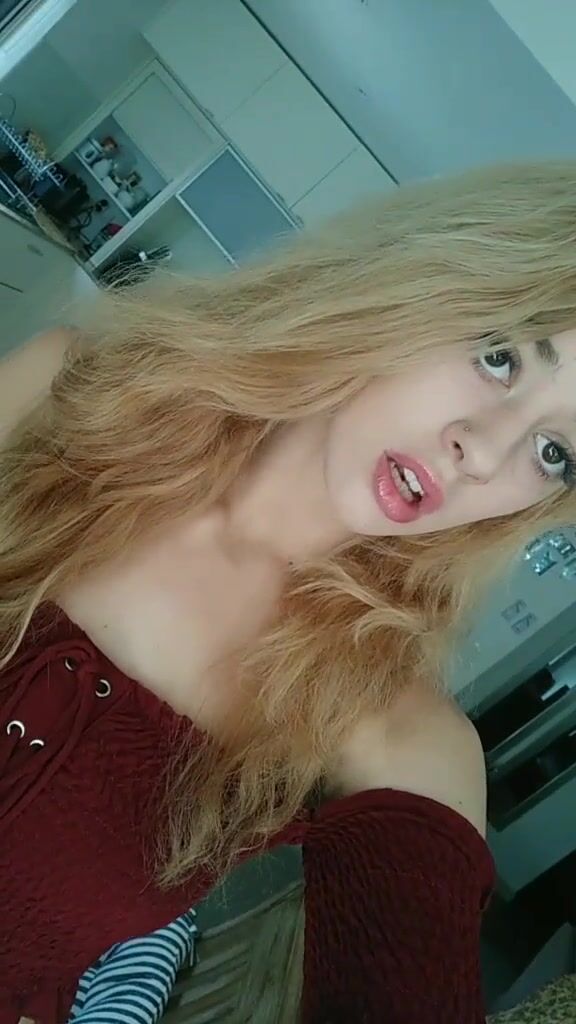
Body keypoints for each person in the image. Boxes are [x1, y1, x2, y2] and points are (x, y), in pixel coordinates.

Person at [2, 160, 576, 1024]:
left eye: (554, 453)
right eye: (502, 358)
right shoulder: (67, 396)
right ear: (419, 280)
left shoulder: (391, 728)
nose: (486, 453)